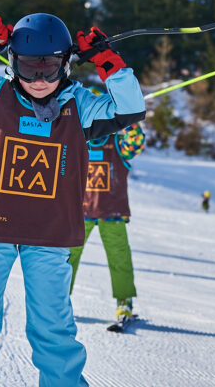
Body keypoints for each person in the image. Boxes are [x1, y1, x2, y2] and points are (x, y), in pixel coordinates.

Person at [0, 12, 145, 387]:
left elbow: (130, 109)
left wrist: (107, 61)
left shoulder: (79, 105)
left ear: (65, 64)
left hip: (49, 235)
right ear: (13, 62)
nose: (39, 80)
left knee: (53, 332)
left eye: (49, 68)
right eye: (29, 68)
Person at [67, 88, 145, 324]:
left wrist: (130, 118)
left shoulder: (118, 143)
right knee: (67, 258)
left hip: (112, 212)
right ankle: (59, 300)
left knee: (119, 257)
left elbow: (136, 142)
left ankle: (124, 301)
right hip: (80, 213)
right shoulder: (76, 141)